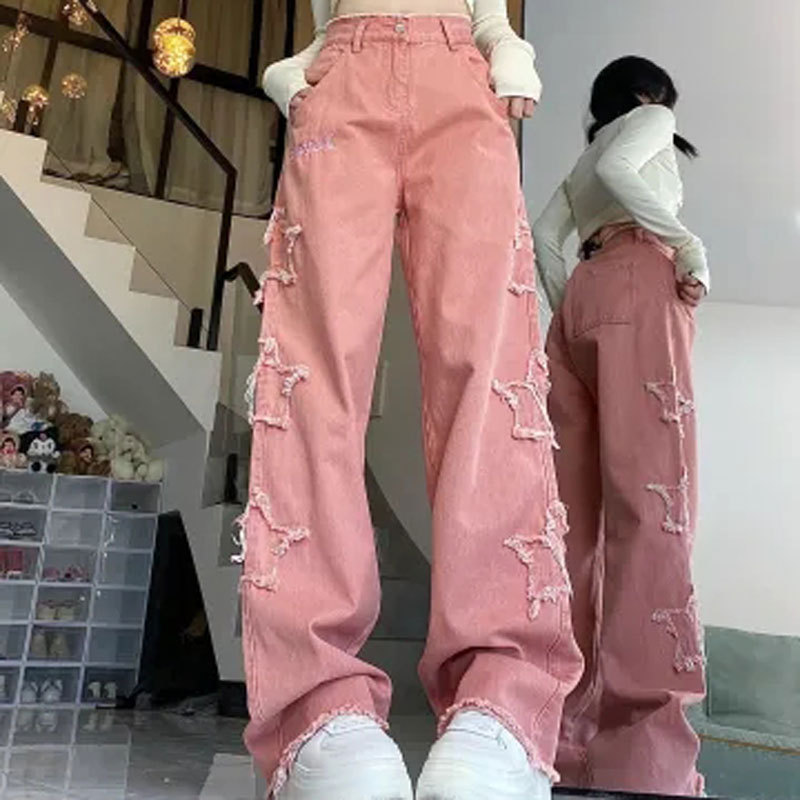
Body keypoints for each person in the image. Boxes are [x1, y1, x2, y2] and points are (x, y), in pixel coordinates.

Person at [240, 0, 583, 798]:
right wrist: (301, 64)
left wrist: (503, 41)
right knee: (310, 380)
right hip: (343, 74)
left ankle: (501, 706)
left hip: (462, 73)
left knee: (492, 376)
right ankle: (318, 707)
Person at [533, 56, 709, 796]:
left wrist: (572, 301)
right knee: (653, 508)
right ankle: (643, 756)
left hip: (581, 299)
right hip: (641, 283)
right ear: (648, 93)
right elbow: (627, 170)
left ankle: (556, 740)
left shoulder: (582, 163)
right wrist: (688, 245)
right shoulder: (650, 120)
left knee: (570, 526)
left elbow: (543, 235)